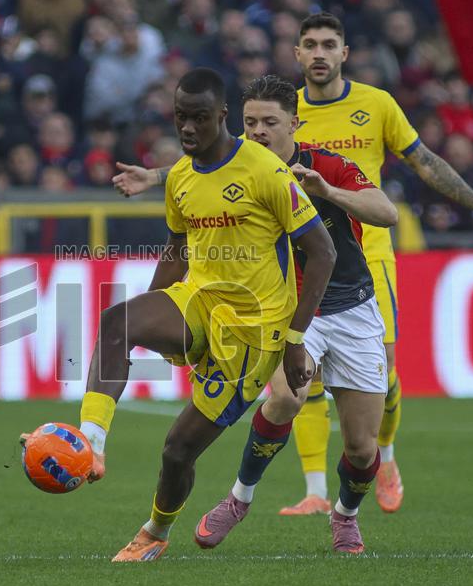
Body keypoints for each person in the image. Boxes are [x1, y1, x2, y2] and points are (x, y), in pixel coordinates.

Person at [36, 68, 336, 562]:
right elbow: (178, 247)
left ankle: (155, 531)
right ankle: (90, 443)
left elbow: (322, 253)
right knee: (118, 321)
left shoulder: (266, 172)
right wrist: (154, 317)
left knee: (178, 451)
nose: (188, 128)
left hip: (254, 329)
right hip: (198, 299)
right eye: (180, 117)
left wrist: (296, 338)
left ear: (221, 117)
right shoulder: (179, 176)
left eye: (199, 118)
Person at [113, 74, 399, 552]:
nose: (258, 131)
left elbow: (386, 213)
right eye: (249, 122)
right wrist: (155, 176)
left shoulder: (326, 166)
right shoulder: (240, 166)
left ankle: (346, 516)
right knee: (286, 398)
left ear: (295, 124)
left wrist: (326, 191)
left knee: (361, 448)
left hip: (351, 307)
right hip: (286, 313)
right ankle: (239, 498)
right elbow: (198, 167)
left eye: (270, 122)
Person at [280, 13, 473, 515]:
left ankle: (385, 457)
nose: (319, 53)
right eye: (310, 45)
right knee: (304, 372)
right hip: (303, 258)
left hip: (368, 258)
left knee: (383, 372)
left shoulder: (376, 104)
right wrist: (157, 174)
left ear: (344, 53)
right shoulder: (283, 112)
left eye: (329, 44)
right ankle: (315, 491)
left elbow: (425, 161)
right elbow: (230, 161)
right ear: (297, 54)